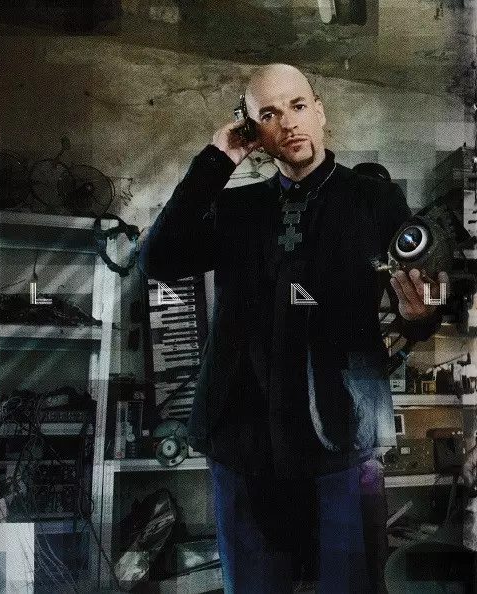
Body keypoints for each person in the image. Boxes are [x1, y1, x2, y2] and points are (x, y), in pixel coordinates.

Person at [138, 63, 448, 593]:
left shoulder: (375, 200)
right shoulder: (237, 208)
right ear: (252, 129)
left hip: (343, 440)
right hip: (244, 443)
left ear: (319, 110)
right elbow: (158, 260)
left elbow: (425, 290)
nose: (288, 123)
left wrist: (422, 313)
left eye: (298, 106)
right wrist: (217, 160)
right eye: (268, 114)